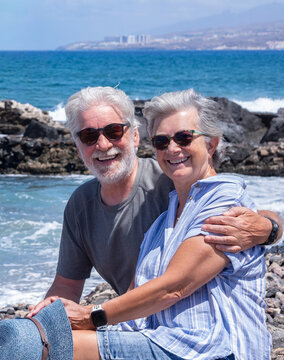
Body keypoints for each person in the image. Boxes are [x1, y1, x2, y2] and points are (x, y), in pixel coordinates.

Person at [30, 89, 273, 359]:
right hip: (152, 329)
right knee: (31, 340)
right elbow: (71, 285)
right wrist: (45, 319)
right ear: (77, 145)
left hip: (210, 346)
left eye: (184, 137)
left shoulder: (182, 182)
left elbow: (174, 285)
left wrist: (269, 227)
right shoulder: (164, 217)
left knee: (47, 349)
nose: (102, 144)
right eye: (161, 141)